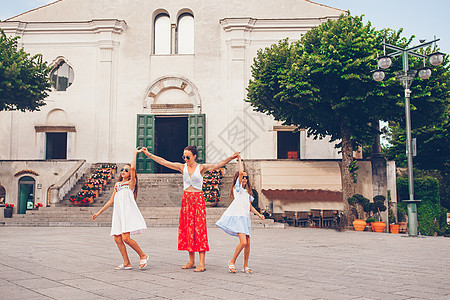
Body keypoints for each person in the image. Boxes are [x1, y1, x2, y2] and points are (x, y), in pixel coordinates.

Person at [142, 145, 239, 272]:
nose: (185, 159)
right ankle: (191, 261)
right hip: (186, 199)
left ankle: (202, 263)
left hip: (198, 199)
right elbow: (164, 162)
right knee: (188, 229)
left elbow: (218, 164)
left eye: (188, 156)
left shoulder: (202, 167)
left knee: (199, 229)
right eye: (184, 156)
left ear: (194, 156)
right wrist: (148, 154)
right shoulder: (182, 167)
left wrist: (231, 157)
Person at [92, 147, 149, 270]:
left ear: (130, 174)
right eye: (122, 169)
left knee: (126, 238)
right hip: (118, 213)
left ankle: (143, 255)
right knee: (117, 238)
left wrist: (135, 153)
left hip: (127, 213)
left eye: (126, 170)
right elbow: (111, 200)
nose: (123, 171)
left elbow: (133, 168)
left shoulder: (130, 183)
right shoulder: (117, 185)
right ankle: (127, 262)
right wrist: (99, 212)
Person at [215, 154, 264, 274]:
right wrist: (239, 159)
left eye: (246, 178)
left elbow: (250, 206)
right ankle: (232, 261)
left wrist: (259, 214)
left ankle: (245, 266)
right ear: (238, 179)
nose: (245, 179)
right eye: (243, 177)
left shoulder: (247, 193)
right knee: (243, 242)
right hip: (238, 218)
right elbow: (241, 172)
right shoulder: (237, 190)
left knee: (248, 243)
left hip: (246, 219)